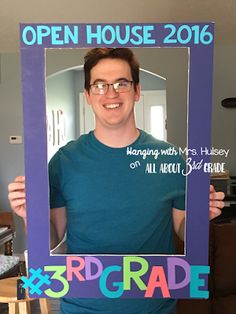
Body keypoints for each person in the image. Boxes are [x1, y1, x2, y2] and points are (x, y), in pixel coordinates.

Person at [8, 48, 224, 314]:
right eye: (99, 85)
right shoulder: (64, 162)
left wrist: (201, 218)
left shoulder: (170, 158)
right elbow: (53, 239)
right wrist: (32, 216)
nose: (111, 94)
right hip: (81, 307)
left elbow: (182, 228)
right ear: (88, 95)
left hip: (154, 307)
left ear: (136, 91)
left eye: (121, 83)